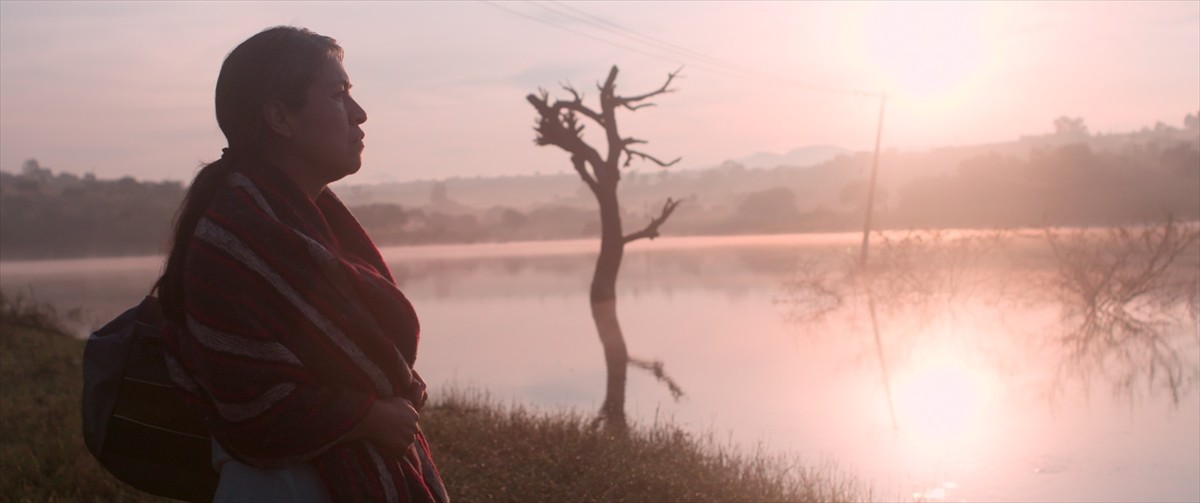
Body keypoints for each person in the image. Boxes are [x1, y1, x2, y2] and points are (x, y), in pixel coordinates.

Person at [156, 26, 448, 503]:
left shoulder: (298, 223)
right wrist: (369, 416)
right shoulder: (234, 240)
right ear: (279, 117)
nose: (359, 114)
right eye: (338, 95)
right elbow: (249, 403)